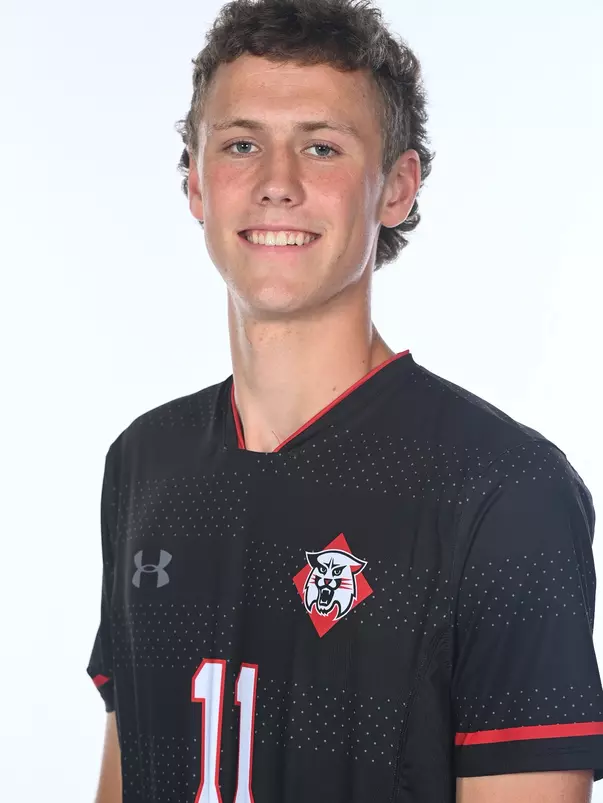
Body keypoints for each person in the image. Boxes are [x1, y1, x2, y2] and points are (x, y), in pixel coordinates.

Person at [86, 1, 603, 801]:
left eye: (321, 147)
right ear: (194, 181)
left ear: (395, 187)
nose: (276, 184)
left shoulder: (504, 491)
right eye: (241, 144)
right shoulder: (145, 463)